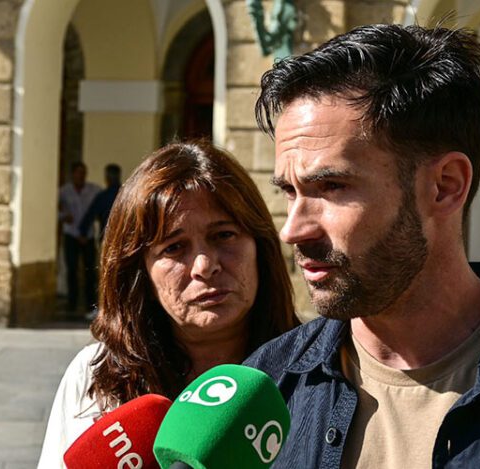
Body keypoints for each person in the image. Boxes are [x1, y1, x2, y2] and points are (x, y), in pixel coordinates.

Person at [244, 24, 480, 468]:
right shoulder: (266, 390)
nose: (293, 230)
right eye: (289, 192)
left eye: (332, 186)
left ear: (445, 186)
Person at [38, 141, 298, 467]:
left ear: (259, 246)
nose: (204, 266)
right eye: (174, 248)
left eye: (224, 235)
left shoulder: (318, 373)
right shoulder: (94, 378)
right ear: (140, 272)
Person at [58, 162, 101, 315]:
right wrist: (63, 217)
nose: (80, 176)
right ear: (72, 174)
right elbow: (55, 209)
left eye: (83, 172)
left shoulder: (94, 190)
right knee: (72, 269)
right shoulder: (64, 191)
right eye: (77, 172)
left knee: (90, 270)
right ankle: (72, 302)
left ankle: (91, 304)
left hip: (87, 236)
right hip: (71, 234)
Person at [78, 163, 122, 240]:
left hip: (107, 237)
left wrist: (83, 232)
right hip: (124, 237)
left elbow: (90, 214)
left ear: (107, 178)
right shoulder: (127, 195)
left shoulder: (103, 197)